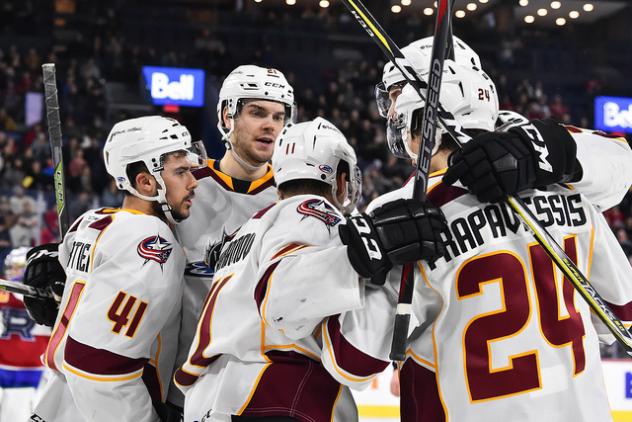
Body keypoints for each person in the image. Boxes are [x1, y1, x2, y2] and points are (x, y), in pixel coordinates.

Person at [325, 62, 632, 421]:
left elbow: (351, 360)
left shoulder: (406, 215)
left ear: (423, 127)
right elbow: (622, 311)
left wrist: (352, 271)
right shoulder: (570, 195)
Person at [174, 117, 448, 421]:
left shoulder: (252, 227)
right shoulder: (315, 212)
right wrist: (372, 250)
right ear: (341, 180)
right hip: (275, 394)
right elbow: (281, 297)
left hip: (211, 400)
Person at [24, 115, 205, 422]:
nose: (193, 182)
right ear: (146, 182)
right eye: (181, 172)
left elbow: (67, 282)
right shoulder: (151, 244)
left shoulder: (91, 220)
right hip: (103, 404)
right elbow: (98, 360)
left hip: (60, 399)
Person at [376, 35, 632, 211]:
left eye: (397, 95)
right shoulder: (413, 196)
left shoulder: (521, 134)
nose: (391, 113)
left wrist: (537, 154)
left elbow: (622, 165)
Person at [170, 64, 296, 407]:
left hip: (253, 397)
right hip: (175, 393)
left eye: (279, 116)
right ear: (228, 115)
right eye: (257, 112)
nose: (271, 124)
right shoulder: (180, 187)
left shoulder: (296, 200)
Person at [0, 247, 50, 422]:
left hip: (37, 369)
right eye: (11, 267)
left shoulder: (47, 295)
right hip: (5, 365)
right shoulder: (4, 293)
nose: (14, 271)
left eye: (19, 266)